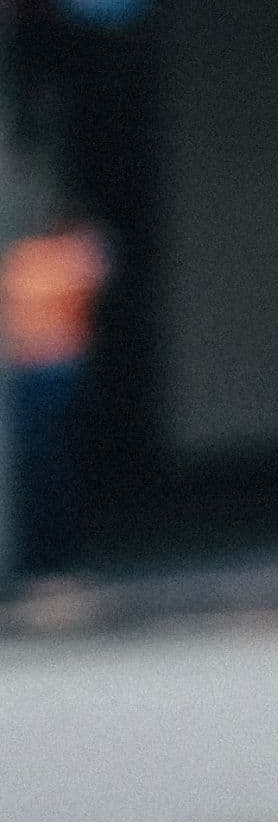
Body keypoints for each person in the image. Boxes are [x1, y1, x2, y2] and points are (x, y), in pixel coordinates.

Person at [4, 199, 112, 576]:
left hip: (56, 367)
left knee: (57, 462)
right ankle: (46, 555)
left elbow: (98, 272)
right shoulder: (35, 259)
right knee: (43, 464)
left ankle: (58, 554)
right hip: (41, 368)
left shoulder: (52, 259)